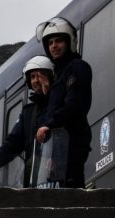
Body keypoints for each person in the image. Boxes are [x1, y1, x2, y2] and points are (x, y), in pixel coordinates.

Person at [34, 17, 92, 189]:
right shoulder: (57, 76)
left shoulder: (77, 67)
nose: (53, 46)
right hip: (58, 144)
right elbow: (50, 113)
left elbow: (75, 105)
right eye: (50, 42)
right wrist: (46, 96)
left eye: (58, 40)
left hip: (73, 139)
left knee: (72, 187)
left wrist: (50, 125)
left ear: (69, 42)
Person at [0, 55, 54, 187]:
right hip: (34, 178)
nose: (36, 80)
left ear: (50, 76)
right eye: (33, 77)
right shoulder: (28, 112)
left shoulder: (58, 104)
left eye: (40, 76)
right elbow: (14, 141)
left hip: (55, 174)